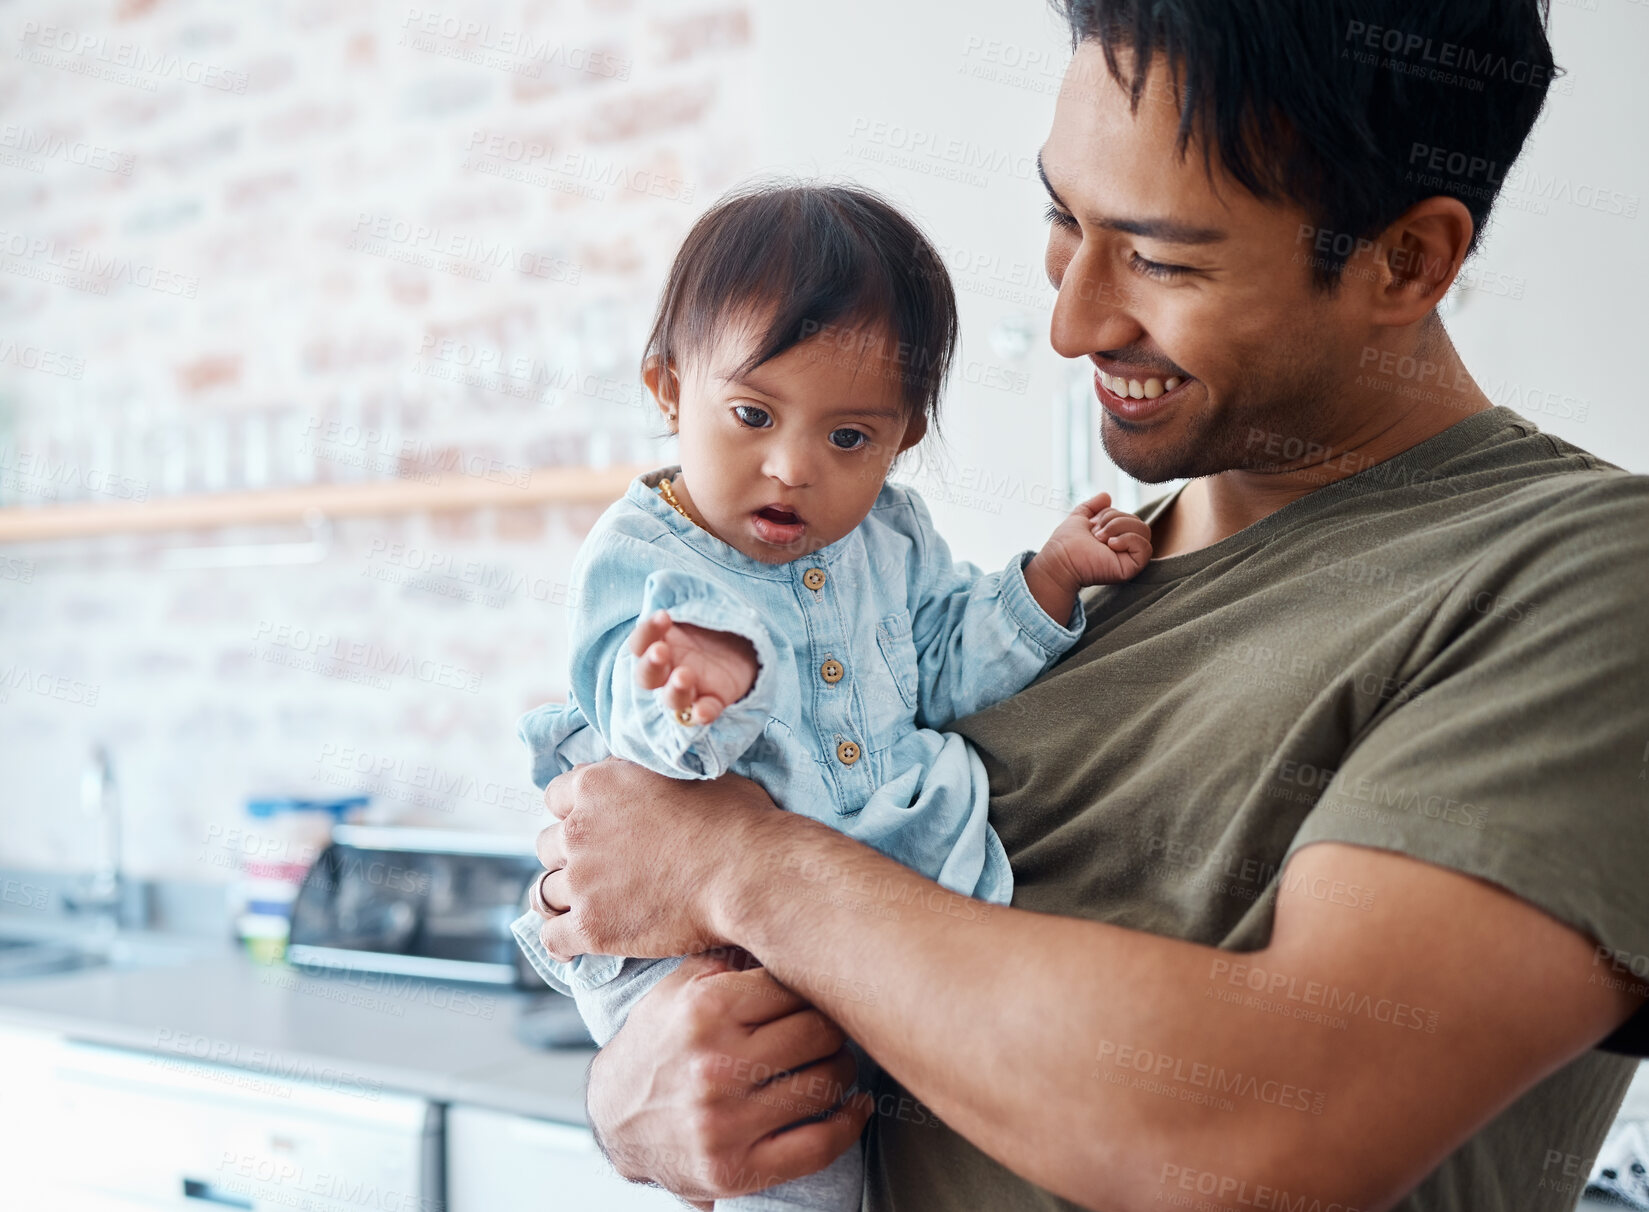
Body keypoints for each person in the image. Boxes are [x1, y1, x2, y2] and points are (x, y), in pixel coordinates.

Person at [523, 1, 1649, 1208]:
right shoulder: (1048, 597)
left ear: (1404, 260)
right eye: (1065, 219)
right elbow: (655, 908)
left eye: (1161, 257)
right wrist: (640, 1096)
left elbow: (1267, 1138)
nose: (1070, 322)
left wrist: (741, 865)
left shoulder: (1582, 576)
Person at [511, 182, 1152, 1211]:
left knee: (889, 1112)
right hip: (691, 943)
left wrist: (1044, 582)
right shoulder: (646, 554)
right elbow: (631, 729)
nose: (791, 468)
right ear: (668, 390)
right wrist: (698, 690)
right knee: (790, 1144)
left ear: (902, 439)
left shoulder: (890, 538)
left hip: (857, 899)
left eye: (848, 438)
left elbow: (943, 659)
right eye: (753, 414)